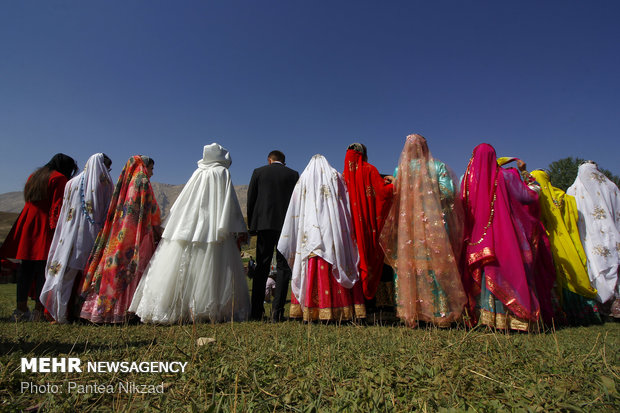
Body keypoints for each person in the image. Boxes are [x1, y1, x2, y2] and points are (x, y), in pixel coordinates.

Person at [130, 144, 250, 323]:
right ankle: (205, 309)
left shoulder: (198, 173)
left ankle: (173, 308)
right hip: (213, 226)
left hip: (189, 225)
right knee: (212, 267)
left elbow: (183, 201)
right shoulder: (222, 173)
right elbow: (229, 202)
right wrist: (237, 226)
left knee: (183, 267)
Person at [380, 134, 466, 327]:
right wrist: (427, 193)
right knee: (436, 265)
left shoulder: (400, 170)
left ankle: (411, 311)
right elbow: (449, 192)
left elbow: (396, 195)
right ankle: (440, 313)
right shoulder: (437, 167)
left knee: (410, 265)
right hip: (432, 225)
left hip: (408, 228)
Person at [460, 144, 543, 331]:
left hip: (478, 239)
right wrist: (527, 176)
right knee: (507, 271)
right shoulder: (506, 176)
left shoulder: (466, 180)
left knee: (485, 273)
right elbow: (530, 196)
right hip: (505, 236)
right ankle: (512, 321)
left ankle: (487, 319)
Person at [277, 154, 363, 321]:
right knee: (335, 260)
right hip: (332, 228)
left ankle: (310, 310)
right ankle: (341, 310)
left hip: (309, 230)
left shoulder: (303, 178)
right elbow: (344, 202)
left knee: (311, 264)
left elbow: (296, 206)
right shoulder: (336, 176)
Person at [79, 155, 162, 323]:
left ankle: (100, 309)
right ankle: (127, 310)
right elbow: (150, 209)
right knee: (135, 269)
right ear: (145, 167)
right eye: (151, 168)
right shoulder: (143, 181)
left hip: (120, 234)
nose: (152, 173)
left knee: (115, 269)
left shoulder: (126, 183)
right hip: (139, 235)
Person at [0, 153, 78, 321]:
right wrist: (59, 231)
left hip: (27, 223)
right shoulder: (59, 179)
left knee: (25, 269)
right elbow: (58, 207)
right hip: (44, 226)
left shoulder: (33, 176)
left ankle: (20, 309)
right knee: (44, 269)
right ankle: (38, 311)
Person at [40, 153, 114, 323]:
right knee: (90, 275)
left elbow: (65, 209)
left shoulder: (71, 182)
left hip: (68, 234)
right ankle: (84, 313)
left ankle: (59, 313)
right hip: (91, 234)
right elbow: (107, 211)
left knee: (65, 275)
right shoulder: (105, 182)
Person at [530, 169, 601, 324]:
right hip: (566, 240)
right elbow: (573, 217)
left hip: (545, 239)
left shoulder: (535, 193)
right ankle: (581, 312)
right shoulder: (564, 197)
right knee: (573, 271)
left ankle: (558, 312)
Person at [247, 150, 299, 321]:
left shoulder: (258, 172)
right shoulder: (293, 175)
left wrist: (252, 226)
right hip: (286, 226)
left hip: (264, 225)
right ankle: (277, 312)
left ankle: (256, 311)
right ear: (283, 162)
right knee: (284, 267)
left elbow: (251, 199)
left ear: (269, 160)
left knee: (262, 266)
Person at [343, 143, 394, 305]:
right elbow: (383, 194)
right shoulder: (370, 170)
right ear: (365, 155)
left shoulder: (343, 175)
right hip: (367, 228)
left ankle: (353, 303)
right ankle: (374, 304)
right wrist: (394, 183)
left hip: (348, 230)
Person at [567, 161, 620, 317]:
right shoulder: (611, 187)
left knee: (596, 266)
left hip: (589, 237)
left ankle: (605, 305)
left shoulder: (573, 190)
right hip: (612, 234)